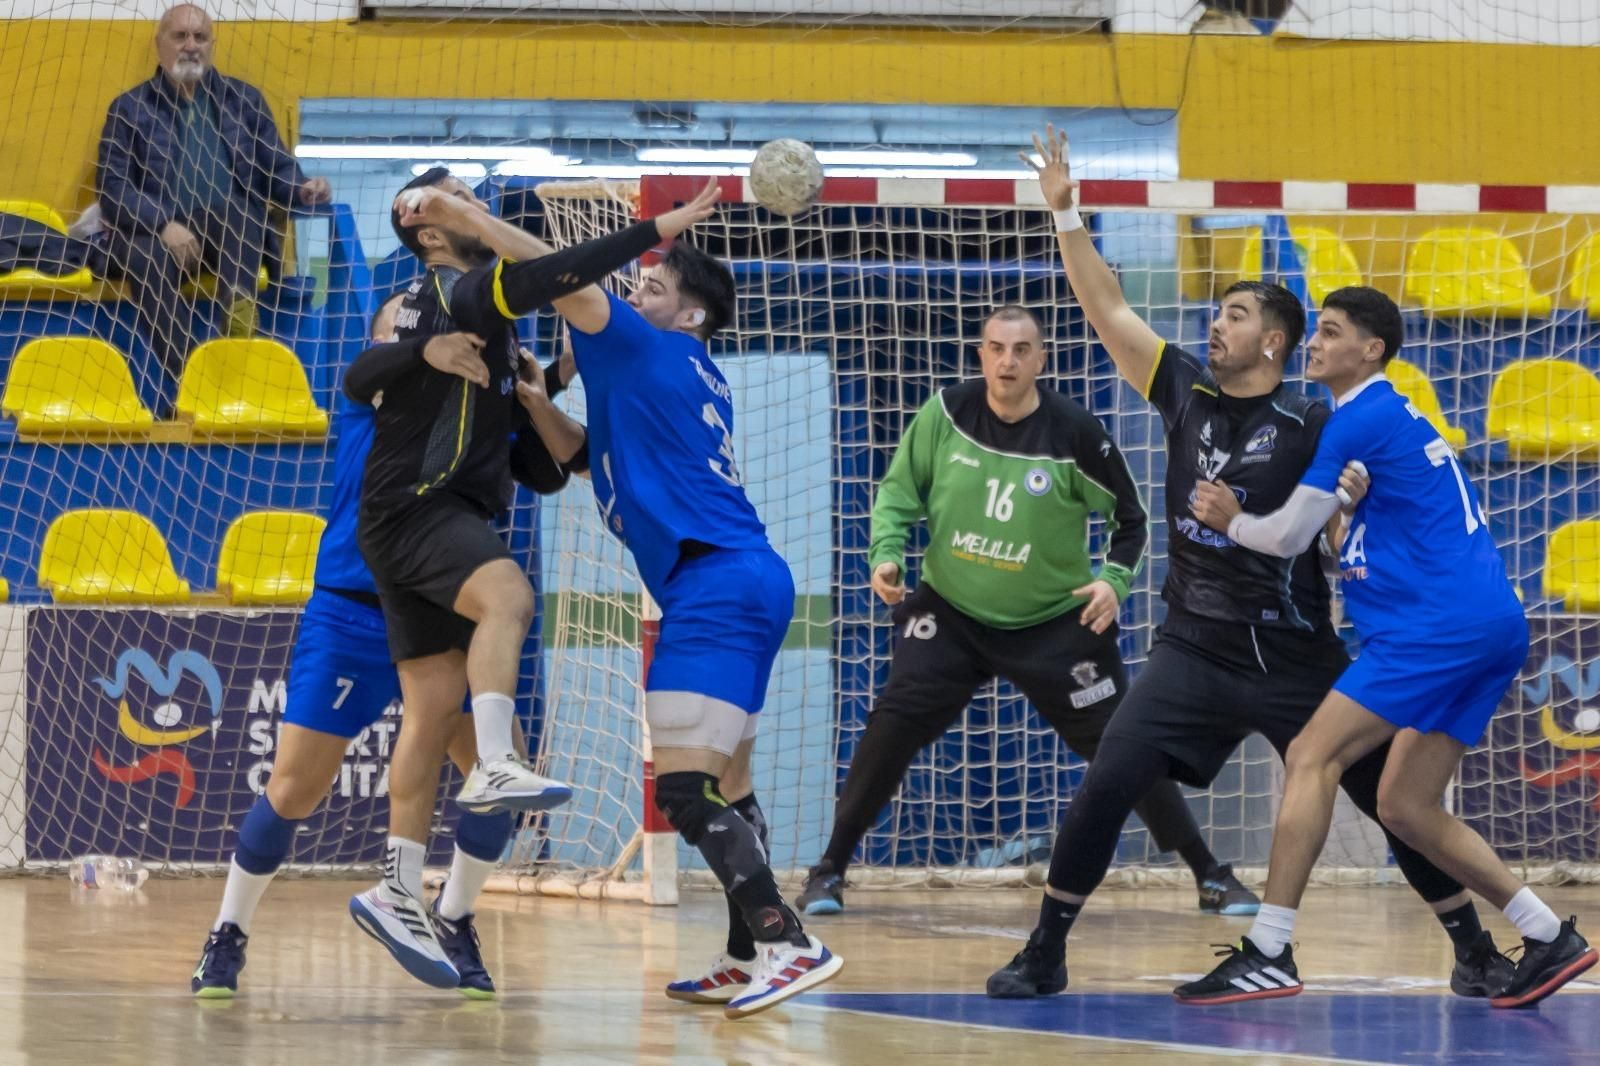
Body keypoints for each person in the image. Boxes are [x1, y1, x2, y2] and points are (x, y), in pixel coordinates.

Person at [984, 125, 1510, 1001]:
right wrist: (1067, 213)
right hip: (1192, 645)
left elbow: (1354, 530)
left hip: (1295, 649)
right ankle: (1045, 949)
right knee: (1108, 778)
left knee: (1393, 802)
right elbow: (1107, 309)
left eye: (1233, 313)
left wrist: (1341, 515)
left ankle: (1475, 948)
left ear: (1274, 339)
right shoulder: (1182, 388)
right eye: (1216, 311)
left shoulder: (1317, 423)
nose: (1214, 324)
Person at [342, 170, 715, 985]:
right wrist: (657, 228)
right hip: (421, 511)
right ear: (431, 229)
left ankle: (398, 887)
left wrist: (538, 397)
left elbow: (542, 473)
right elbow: (563, 272)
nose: (477, 203)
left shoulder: (456, 311)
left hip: (402, 517)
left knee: (434, 708)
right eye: (459, 198)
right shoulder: (465, 292)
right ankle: (500, 764)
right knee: (509, 595)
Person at [1180, 286, 1595, 1008]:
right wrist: (1346, 505)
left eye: (1331, 332)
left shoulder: (1358, 419)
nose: (1315, 341)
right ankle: (1549, 935)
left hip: (1436, 628)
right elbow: (1349, 544)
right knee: (1404, 803)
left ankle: (1269, 949)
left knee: (1313, 754)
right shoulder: (1392, 421)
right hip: (1488, 623)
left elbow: (1283, 539)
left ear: (1370, 351)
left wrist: (1232, 518)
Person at [795, 305, 1258, 920]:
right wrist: (886, 556)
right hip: (952, 614)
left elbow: (1130, 522)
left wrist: (1113, 583)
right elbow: (899, 495)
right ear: (981, 354)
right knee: (890, 726)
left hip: (1053, 625)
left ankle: (1210, 874)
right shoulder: (945, 414)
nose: (1007, 361)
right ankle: (829, 870)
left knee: (1125, 745)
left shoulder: (1075, 433)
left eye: (1020, 350)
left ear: (1041, 360)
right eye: (995, 348)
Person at [189, 293, 570, 999]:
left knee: (500, 780)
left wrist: (544, 385)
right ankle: (229, 931)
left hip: (439, 611)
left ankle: (452, 916)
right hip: (353, 613)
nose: (421, 324)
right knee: (294, 789)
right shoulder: (375, 391)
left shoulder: (471, 417)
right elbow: (372, 365)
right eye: (404, 319)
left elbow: (546, 468)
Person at [536, 198, 842, 1019]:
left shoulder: (646, 346)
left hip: (713, 587)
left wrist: (469, 214)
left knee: (681, 791)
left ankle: (787, 941)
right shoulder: (680, 376)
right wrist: (534, 396)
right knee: (730, 783)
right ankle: (747, 956)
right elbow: (578, 459)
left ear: (691, 313)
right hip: (744, 579)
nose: (638, 290)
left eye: (654, 282)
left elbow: (556, 274)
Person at [96, 4, 332, 401]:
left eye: (200, 37)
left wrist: (302, 188)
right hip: (154, 238)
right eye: (180, 36)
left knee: (240, 209)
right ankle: (194, 376)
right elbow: (113, 188)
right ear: (160, 45)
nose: (191, 46)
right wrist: (164, 223)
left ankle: (238, 322)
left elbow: (275, 167)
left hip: (225, 235)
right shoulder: (129, 108)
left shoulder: (244, 101)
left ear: (211, 45)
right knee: (145, 255)